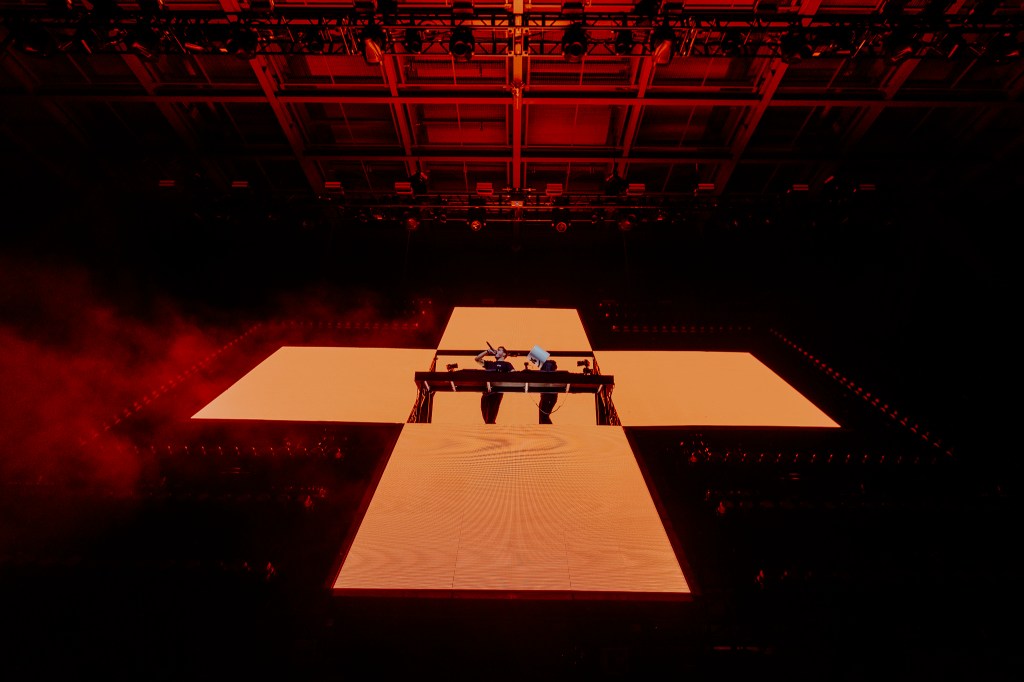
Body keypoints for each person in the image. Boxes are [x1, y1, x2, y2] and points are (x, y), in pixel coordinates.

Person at [475, 345, 514, 424]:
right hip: (486, 393)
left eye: (499, 350)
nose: (496, 351)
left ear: (504, 354)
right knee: (486, 418)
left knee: (490, 418)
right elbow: (477, 359)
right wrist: (487, 351)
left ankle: (491, 433)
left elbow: (514, 375)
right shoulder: (490, 364)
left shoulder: (507, 364)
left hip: (497, 392)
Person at [537, 356, 558, 424]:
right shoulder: (550, 369)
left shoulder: (547, 366)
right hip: (547, 395)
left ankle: (548, 431)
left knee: (543, 417)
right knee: (543, 417)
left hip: (548, 395)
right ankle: (546, 431)